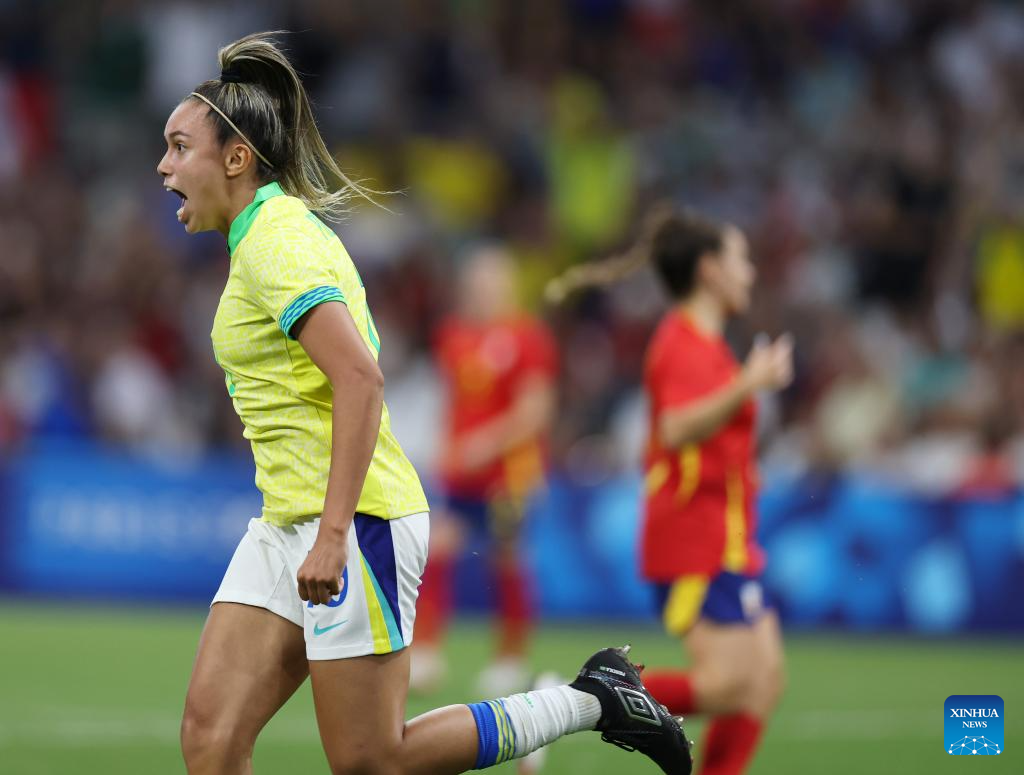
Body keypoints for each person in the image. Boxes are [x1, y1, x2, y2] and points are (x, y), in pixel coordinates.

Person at [157, 31, 692, 775]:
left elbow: (361, 379)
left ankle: (592, 698)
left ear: (236, 158)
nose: (164, 166)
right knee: (211, 741)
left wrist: (334, 533)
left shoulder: (277, 243)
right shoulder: (261, 238)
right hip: (288, 520)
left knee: (373, 759)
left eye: (180, 147)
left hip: (353, 520)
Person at [548, 206, 790, 775]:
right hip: (694, 538)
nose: (751, 272)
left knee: (764, 679)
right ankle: (577, 702)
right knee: (730, 685)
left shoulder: (710, 347)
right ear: (709, 269)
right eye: (741, 259)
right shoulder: (681, 342)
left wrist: (744, 384)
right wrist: (749, 384)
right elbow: (677, 428)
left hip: (729, 536)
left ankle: (590, 697)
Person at [412, 245, 557, 697]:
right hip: (463, 475)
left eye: (492, 282)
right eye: (476, 283)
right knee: (437, 550)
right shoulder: (452, 335)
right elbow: (454, 401)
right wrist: (448, 447)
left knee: (506, 558)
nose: (483, 291)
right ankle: (424, 654)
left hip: (509, 475)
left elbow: (535, 410)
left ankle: (510, 660)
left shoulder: (528, 338)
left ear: (509, 286)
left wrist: (487, 444)